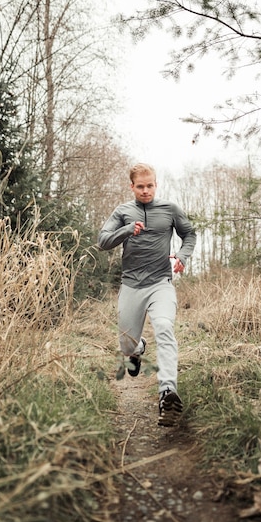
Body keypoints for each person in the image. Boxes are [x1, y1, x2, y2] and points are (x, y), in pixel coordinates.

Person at [98, 162, 196, 427]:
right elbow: (103, 241)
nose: (145, 191)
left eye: (149, 185)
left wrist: (183, 257)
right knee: (126, 345)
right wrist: (128, 230)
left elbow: (189, 235)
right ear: (132, 187)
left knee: (164, 328)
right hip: (131, 285)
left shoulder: (170, 210)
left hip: (160, 283)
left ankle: (168, 393)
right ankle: (138, 348)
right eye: (140, 186)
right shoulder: (123, 211)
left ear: (156, 184)